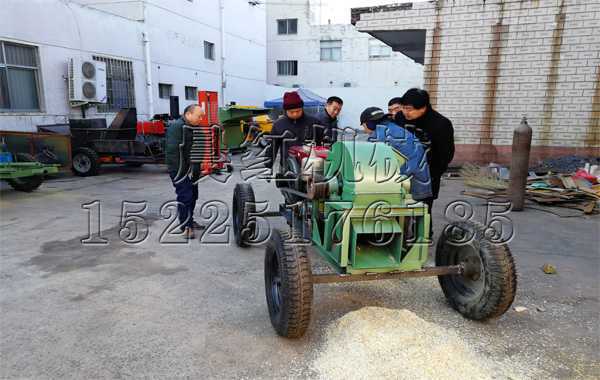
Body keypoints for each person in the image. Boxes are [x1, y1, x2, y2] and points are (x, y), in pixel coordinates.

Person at [394, 88, 455, 230]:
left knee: (422, 211)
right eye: (403, 108)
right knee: (396, 207)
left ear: (423, 107)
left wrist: (430, 175)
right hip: (401, 173)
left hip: (426, 176)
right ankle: (396, 238)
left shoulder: (441, 124)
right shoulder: (400, 118)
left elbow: (445, 155)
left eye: (409, 109)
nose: (405, 112)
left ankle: (423, 239)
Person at [360, 106, 432, 202]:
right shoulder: (396, 129)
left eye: (364, 126)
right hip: (422, 181)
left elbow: (368, 162)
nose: (365, 131)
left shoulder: (379, 135)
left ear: (369, 124)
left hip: (410, 185)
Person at [165, 104, 205, 239]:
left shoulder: (196, 128)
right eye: (199, 116)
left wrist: (198, 169)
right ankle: (185, 227)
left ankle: (189, 221)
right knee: (185, 196)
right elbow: (173, 152)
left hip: (192, 170)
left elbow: (198, 149)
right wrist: (182, 173)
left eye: (202, 117)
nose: (201, 119)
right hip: (180, 170)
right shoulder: (177, 127)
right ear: (188, 114)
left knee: (193, 196)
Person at [264, 91, 322, 169]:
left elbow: (320, 144)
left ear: (302, 108)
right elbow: (272, 147)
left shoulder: (314, 122)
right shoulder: (278, 124)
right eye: (291, 112)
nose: (295, 114)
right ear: (285, 110)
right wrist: (268, 166)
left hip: (309, 166)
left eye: (298, 111)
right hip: (286, 166)